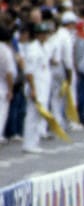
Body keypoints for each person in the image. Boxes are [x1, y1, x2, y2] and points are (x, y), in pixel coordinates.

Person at [19, 21, 53, 153]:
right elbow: (29, 72)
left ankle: (34, 141)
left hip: (43, 86)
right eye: (42, 34)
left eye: (45, 34)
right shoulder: (33, 49)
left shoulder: (45, 47)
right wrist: (33, 89)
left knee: (39, 115)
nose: (44, 36)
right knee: (32, 115)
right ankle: (28, 143)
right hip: (36, 86)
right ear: (37, 35)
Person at [0, 24, 15, 144]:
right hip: (2, 85)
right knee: (2, 113)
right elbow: (9, 72)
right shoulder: (5, 50)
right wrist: (11, 89)